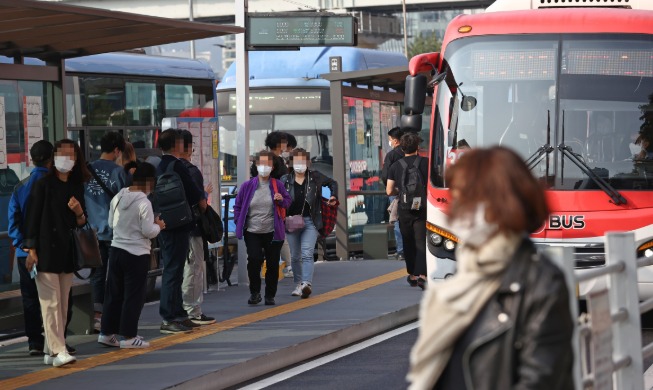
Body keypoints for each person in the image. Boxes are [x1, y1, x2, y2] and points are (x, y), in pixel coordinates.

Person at [407, 146, 574, 390]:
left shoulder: (541, 282)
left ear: (504, 203)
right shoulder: (457, 285)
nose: (459, 212)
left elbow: (540, 379)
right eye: (458, 199)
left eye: (470, 200)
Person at [24, 139, 91, 367]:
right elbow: (31, 219)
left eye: (71, 155)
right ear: (54, 156)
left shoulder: (76, 186)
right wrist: (31, 251)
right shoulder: (43, 184)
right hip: (44, 252)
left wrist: (79, 211)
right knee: (50, 303)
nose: (66, 159)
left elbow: (82, 223)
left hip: (66, 253)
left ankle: (51, 349)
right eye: (62, 154)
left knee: (62, 305)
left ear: (76, 160)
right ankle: (58, 350)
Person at [8, 140, 74, 356]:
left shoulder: (19, 187)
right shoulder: (56, 185)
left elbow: (13, 222)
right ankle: (57, 343)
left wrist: (24, 247)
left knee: (32, 300)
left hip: (24, 253)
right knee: (59, 300)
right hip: (51, 251)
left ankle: (35, 342)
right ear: (51, 160)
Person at [98, 162, 165, 349]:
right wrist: (158, 226)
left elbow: (111, 223)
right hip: (136, 254)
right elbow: (148, 231)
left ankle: (106, 333)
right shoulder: (144, 202)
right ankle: (129, 336)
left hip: (117, 250)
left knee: (114, 294)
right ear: (149, 182)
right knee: (133, 296)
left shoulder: (118, 197)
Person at [156, 129, 206, 334]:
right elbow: (197, 196)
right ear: (177, 145)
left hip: (164, 222)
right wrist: (202, 205)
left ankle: (178, 314)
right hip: (179, 223)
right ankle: (169, 317)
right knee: (173, 270)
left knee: (174, 268)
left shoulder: (157, 165)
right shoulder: (178, 165)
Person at [234, 150, 291, 306]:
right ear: (256, 165)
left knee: (272, 264)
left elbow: (287, 202)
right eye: (261, 163)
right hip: (252, 231)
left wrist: (281, 200)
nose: (264, 167)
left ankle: (270, 295)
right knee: (254, 260)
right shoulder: (247, 186)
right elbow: (238, 205)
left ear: (273, 167)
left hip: (273, 231)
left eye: (268, 164)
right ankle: (255, 293)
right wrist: (239, 220)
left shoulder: (277, 185)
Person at [281, 149, 338, 298]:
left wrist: (333, 195)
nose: (300, 164)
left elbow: (333, 183)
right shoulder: (285, 180)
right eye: (296, 161)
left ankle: (307, 283)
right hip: (292, 222)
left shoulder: (315, 177)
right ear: (291, 163)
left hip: (311, 220)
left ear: (308, 162)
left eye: (303, 161)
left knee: (307, 253)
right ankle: (299, 284)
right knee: (294, 256)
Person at [85, 131, 127, 332]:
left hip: (92, 233)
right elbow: (126, 201)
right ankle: (113, 317)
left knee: (97, 276)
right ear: (117, 150)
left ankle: (97, 317)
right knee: (116, 275)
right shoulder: (118, 172)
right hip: (114, 233)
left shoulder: (88, 169)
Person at [179, 130, 216, 325]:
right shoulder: (191, 171)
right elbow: (201, 203)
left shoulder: (164, 168)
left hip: (169, 228)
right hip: (192, 226)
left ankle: (177, 310)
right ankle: (192, 311)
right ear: (188, 149)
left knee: (177, 269)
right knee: (193, 268)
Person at [386, 133, 428, 289]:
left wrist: (402, 190)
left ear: (402, 148)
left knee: (408, 242)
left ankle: (412, 274)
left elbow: (389, 190)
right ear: (417, 146)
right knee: (421, 241)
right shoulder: (425, 163)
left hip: (404, 208)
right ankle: (423, 275)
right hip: (421, 207)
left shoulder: (395, 166)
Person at [381, 127, 405, 261]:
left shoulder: (392, 155)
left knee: (397, 219)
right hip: (412, 192)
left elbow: (385, 175)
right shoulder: (410, 153)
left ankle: (401, 251)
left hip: (395, 191)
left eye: (390, 140)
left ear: (395, 141)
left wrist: (390, 187)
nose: (389, 142)